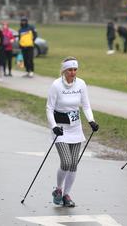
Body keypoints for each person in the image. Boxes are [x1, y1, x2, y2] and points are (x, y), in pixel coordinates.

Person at [46, 56, 99, 207]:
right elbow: (49, 108)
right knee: (66, 161)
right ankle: (58, 189)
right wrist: (54, 126)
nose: (73, 72)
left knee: (74, 163)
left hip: (75, 128)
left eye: (75, 69)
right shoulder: (56, 85)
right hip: (60, 130)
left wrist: (91, 121)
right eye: (70, 69)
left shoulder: (81, 84)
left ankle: (66, 195)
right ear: (64, 70)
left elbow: (86, 105)